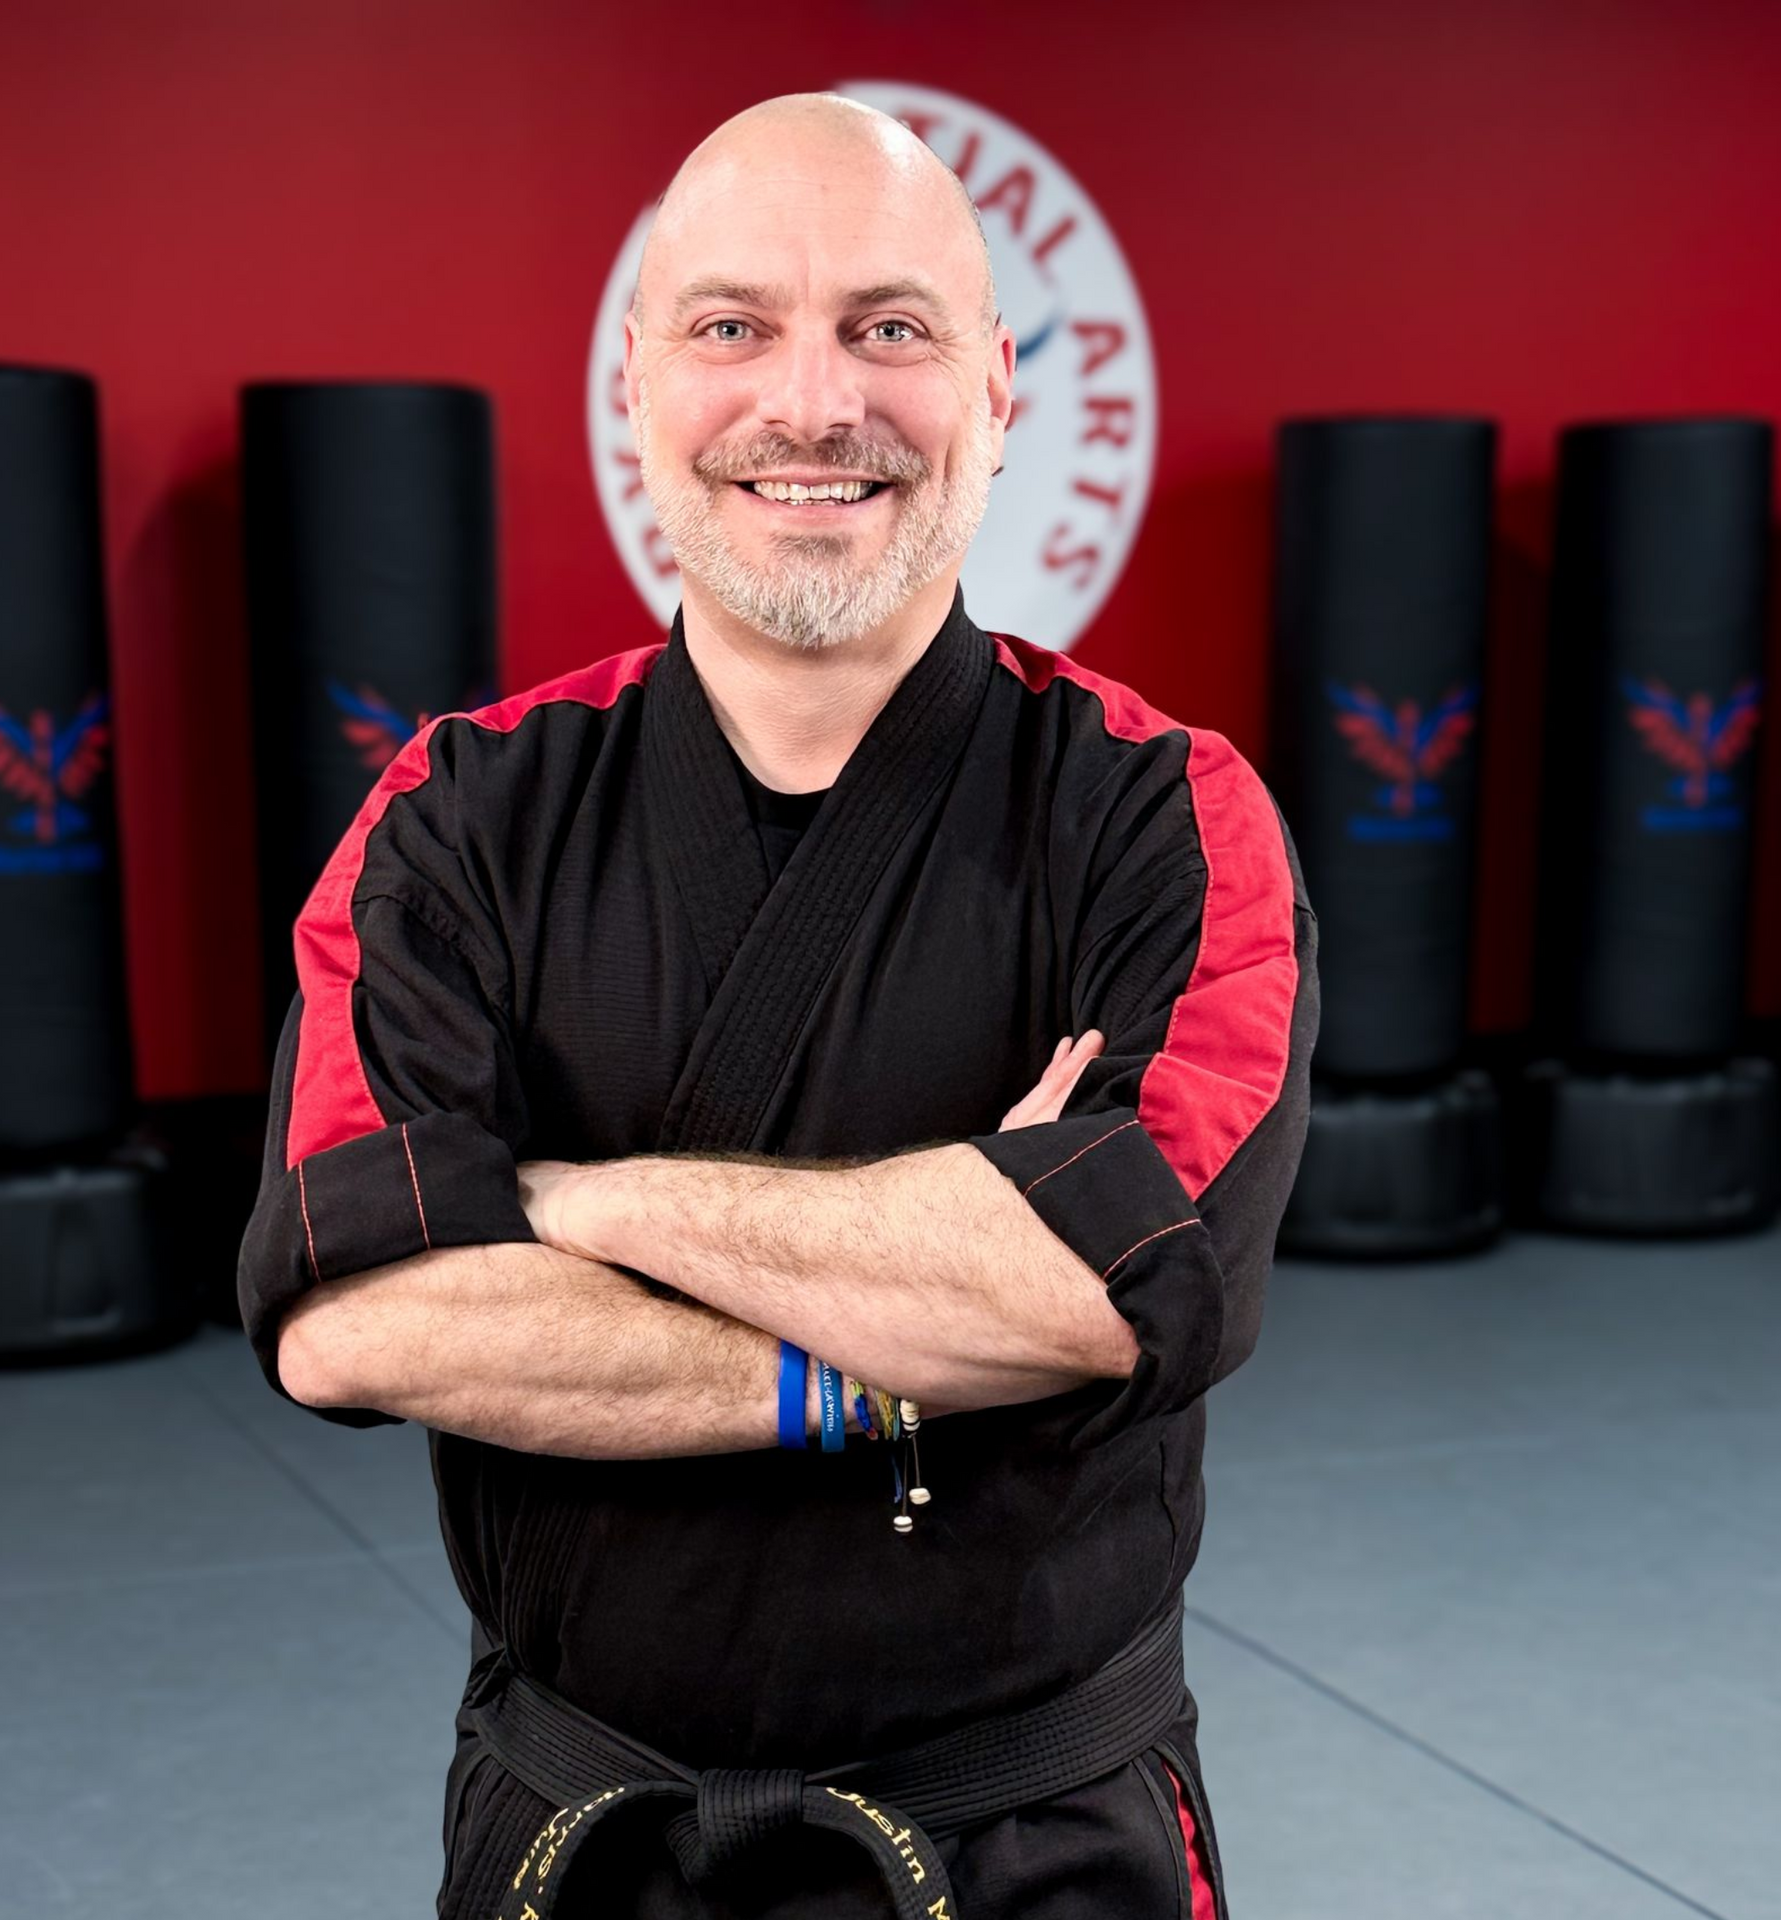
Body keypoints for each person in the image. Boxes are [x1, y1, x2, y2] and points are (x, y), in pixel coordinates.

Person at [239, 91, 1318, 1920]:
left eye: (888, 330)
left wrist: (569, 1196)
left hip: (1039, 1849)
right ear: (641, 390)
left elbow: (1121, 1285)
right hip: (592, 1846)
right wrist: (909, 1335)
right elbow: (351, 1319)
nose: (812, 404)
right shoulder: (458, 819)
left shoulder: (1164, 809)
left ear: (993, 392)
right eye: (733, 327)